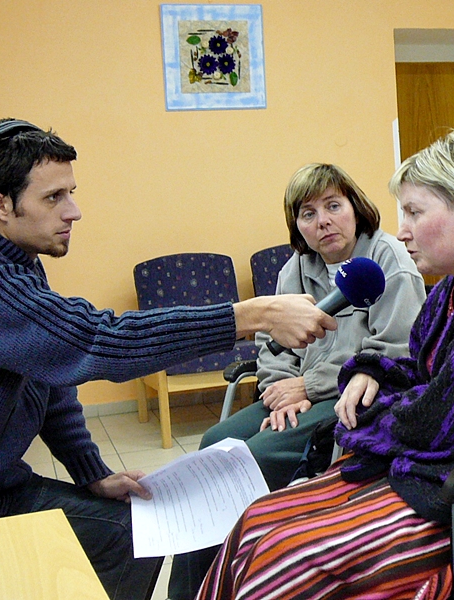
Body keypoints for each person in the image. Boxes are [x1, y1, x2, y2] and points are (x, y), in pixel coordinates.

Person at [0, 118, 335, 600]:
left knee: (132, 534)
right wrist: (249, 315)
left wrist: (92, 473)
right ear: (0, 205)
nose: (73, 211)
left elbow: (51, 380)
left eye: (70, 193)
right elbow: (99, 342)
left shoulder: (14, 264)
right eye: (53, 198)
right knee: (114, 544)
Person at [193, 129, 454, 600]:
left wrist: (364, 424)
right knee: (256, 521)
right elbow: (420, 369)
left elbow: (445, 423)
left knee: (282, 555)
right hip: (450, 469)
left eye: (414, 212)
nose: (404, 229)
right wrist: (372, 371)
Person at [167, 163, 425, 599]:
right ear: (297, 226)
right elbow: (272, 344)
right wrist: (282, 388)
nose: (323, 221)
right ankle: (191, 590)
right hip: (295, 393)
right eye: (308, 213)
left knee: (254, 457)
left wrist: (310, 386)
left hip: (353, 398)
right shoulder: (296, 269)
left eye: (333, 206)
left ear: (356, 208)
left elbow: (395, 349)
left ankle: (239, 579)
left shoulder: (387, 261)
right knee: (214, 444)